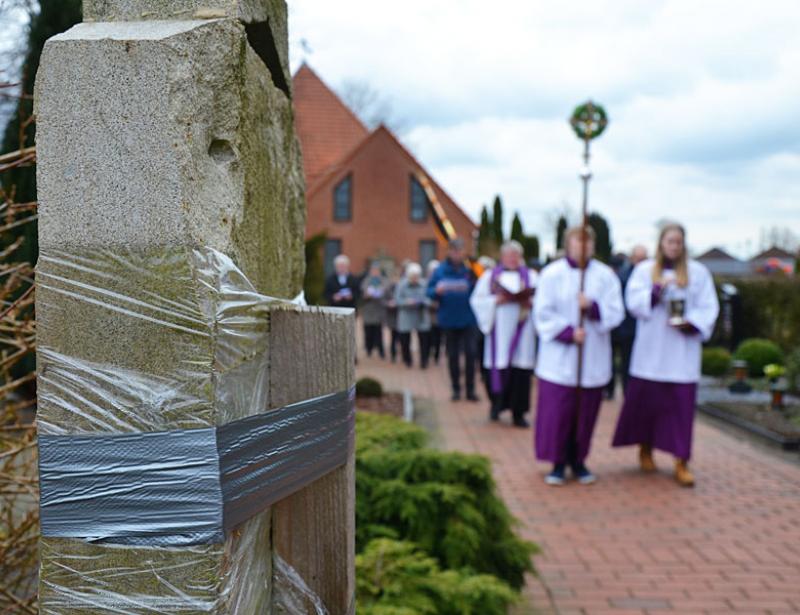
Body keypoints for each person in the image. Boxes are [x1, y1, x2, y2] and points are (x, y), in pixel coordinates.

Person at [612, 223, 719, 487]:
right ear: (661, 243)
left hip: (681, 352)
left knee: (680, 410)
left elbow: (708, 307)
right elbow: (633, 303)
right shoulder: (644, 270)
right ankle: (645, 447)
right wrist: (656, 291)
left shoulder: (698, 272)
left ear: (684, 244)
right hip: (651, 351)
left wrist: (692, 324)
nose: (674, 246)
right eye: (670, 241)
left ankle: (681, 460)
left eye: (678, 242)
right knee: (648, 406)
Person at [533, 226, 624, 486]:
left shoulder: (605, 276)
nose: (583, 247)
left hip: (592, 357)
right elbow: (542, 313)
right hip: (560, 360)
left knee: (585, 413)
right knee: (559, 413)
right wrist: (568, 333)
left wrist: (593, 307)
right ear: (568, 244)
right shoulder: (552, 274)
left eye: (588, 242)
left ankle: (579, 459)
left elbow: (616, 312)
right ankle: (558, 462)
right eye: (578, 241)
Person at [470, 241, 538, 427]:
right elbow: (477, 300)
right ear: (502, 257)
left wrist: (532, 303)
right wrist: (494, 302)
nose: (512, 259)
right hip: (498, 333)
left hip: (523, 333)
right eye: (509, 255)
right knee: (496, 368)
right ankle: (496, 406)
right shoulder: (490, 277)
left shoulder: (531, 276)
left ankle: (519, 413)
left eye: (516, 255)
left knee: (521, 372)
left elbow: (543, 300)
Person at [427, 239, 479, 401]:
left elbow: (481, 288)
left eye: (460, 250)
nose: (457, 253)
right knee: (453, 356)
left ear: (463, 251)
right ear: (449, 251)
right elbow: (429, 291)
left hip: (469, 319)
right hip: (449, 320)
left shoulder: (470, 269)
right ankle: (456, 388)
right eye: (454, 250)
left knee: (471, 354)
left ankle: (470, 390)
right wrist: (436, 291)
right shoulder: (440, 271)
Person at [606, 245, 648, 399]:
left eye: (644, 259)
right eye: (639, 258)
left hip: (632, 328)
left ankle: (627, 392)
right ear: (632, 259)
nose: (641, 262)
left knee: (628, 362)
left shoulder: (647, 275)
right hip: (619, 326)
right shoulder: (623, 276)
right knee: (611, 359)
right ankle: (609, 390)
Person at [395, 263, 431, 368]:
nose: (414, 279)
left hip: (421, 315)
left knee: (424, 340)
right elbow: (397, 299)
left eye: (416, 276)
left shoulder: (425, 284)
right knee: (405, 340)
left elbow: (429, 299)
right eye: (412, 276)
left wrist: (423, 301)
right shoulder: (402, 284)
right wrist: (407, 302)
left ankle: (424, 361)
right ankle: (407, 360)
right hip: (406, 315)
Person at [360, 263, 387, 358]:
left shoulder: (383, 281)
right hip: (368, 309)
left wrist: (381, 292)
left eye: (377, 271)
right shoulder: (366, 281)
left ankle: (381, 350)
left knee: (379, 331)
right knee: (368, 331)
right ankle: (369, 349)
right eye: (373, 270)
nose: (375, 272)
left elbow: (386, 291)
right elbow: (362, 292)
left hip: (379, 309)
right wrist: (367, 294)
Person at [425, 260, 443, 365]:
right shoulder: (426, 282)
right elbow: (424, 296)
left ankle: (436, 356)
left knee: (438, 339)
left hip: (439, 316)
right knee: (428, 337)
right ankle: (427, 356)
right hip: (428, 316)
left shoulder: (441, 282)